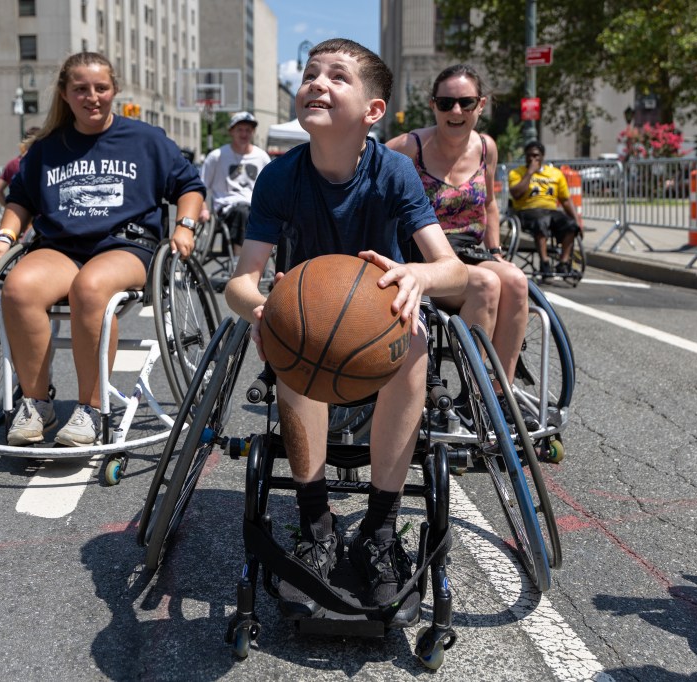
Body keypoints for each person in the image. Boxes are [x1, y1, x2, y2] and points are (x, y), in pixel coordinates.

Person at [225, 38, 464, 628]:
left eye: (337, 76)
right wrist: (263, 308)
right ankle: (316, 524)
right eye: (310, 74)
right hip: (309, 337)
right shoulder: (280, 178)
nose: (317, 83)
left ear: (373, 111)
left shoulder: (395, 171)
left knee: (414, 341)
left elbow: (454, 270)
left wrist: (418, 274)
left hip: (379, 333)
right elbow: (239, 282)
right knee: (303, 340)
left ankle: (380, 531)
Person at [0, 51, 205, 448]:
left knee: (90, 287)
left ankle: (90, 405)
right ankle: (36, 403)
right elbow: (20, 202)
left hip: (126, 245)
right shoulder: (47, 147)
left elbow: (189, 187)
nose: (92, 97)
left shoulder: (146, 139)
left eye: (101, 88)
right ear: (65, 95)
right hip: (61, 246)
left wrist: (185, 226)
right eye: (80, 89)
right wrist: (4, 236)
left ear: (115, 90)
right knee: (18, 287)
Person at [386, 64, 529, 397]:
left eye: (466, 102)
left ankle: (500, 391)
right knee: (486, 284)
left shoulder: (485, 147)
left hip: (468, 250)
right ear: (433, 105)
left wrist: (496, 252)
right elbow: (362, 169)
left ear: (481, 105)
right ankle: (475, 396)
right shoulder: (408, 146)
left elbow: (490, 205)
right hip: (422, 253)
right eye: (446, 102)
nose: (456, 110)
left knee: (517, 280)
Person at [198, 112, 271, 256]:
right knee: (243, 212)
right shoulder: (216, 156)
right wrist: (203, 209)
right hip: (227, 207)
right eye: (240, 130)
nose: (244, 134)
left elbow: (272, 187)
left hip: (254, 207)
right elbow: (200, 185)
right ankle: (240, 258)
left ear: (253, 132)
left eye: (248, 130)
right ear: (231, 131)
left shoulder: (262, 157)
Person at [508, 140, 583, 278]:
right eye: (529, 155)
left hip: (550, 210)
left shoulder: (555, 174)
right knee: (541, 222)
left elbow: (565, 200)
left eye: (536, 156)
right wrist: (530, 172)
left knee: (571, 225)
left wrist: (577, 220)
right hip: (527, 210)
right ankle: (545, 262)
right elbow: (516, 194)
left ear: (542, 156)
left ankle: (563, 262)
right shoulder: (517, 173)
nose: (532, 158)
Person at [0, 126, 41, 208]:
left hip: (20, 215)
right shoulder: (46, 164)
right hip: (41, 215)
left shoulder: (13, 164)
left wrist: (10, 207)